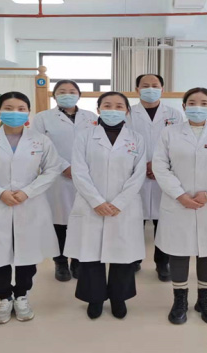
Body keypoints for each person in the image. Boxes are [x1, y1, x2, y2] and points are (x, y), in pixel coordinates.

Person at [0, 91, 63, 324]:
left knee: (27, 252)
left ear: (28, 112)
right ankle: (4, 297)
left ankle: (22, 296)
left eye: (20, 109)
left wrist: (28, 191)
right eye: (8, 108)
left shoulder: (40, 141)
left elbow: (52, 169)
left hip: (30, 203)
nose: (15, 113)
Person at [153, 87, 207, 325]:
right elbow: (160, 167)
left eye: (204, 103)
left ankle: (205, 300)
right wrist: (180, 195)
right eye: (192, 103)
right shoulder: (169, 133)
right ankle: (179, 300)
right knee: (179, 251)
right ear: (184, 106)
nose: (198, 107)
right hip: (178, 202)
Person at [64, 92, 147, 320]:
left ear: (127, 111)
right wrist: (96, 201)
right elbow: (79, 171)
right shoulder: (84, 136)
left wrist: (119, 202)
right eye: (107, 105)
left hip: (125, 206)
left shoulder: (137, 139)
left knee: (123, 254)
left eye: (119, 106)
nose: (113, 109)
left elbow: (138, 174)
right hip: (90, 204)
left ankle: (119, 297)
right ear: (98, 109)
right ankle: (95, 298)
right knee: (90, 254)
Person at [31, 80, 98, 282]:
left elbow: (97, 144)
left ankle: (77, 260)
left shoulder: (91, 117)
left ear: (79, 95)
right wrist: (64, 166)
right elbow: (40, 146)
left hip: (86, 175)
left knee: (81, 220)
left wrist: (81, 169)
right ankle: (60, 262)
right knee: (59, 222)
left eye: (71, 91)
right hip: (57, 177)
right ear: (54, 95)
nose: (67, 94)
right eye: (61, 91)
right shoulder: (43, 118)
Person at [126, 73, 184, 281]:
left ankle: (162, 263)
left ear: (162, 88)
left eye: (155, 85)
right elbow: (125, 142)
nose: (150, 89)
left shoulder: (175, 115)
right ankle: (133, 259)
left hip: (165, 173)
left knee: (164, 221)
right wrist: (143, 164)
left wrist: (158, 166)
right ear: (137, 89)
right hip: (135, 172)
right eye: (145, 86)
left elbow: (178, 144)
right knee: (134, 220)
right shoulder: (127, 114)